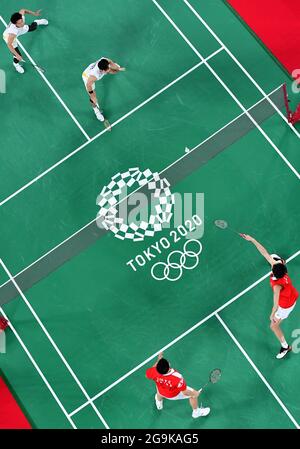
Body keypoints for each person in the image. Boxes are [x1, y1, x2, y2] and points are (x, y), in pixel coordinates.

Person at [241, 234, 299, 359]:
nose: (272, 264)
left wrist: (272, 314)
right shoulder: (282, 269)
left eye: (273, 265)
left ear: (274, 271)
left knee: (273, 326)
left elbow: (276, 303)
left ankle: (285, 346)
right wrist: (252, 240)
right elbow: (264, 252)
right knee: (272, 257)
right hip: (293, 293)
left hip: (286, 305)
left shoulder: (277, 286)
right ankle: (280, 259)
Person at [146, 352, 210, 419]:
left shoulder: (153, 371)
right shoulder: (177, 377)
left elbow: (150, 372)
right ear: (168, 366)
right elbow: (184, 392)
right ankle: (196, 412)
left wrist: (158, 361)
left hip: (161, 391)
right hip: (173, 395)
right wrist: (195, 393)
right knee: (193, 395)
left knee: (159, 390)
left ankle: (159, 403)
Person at [82, 57, 125, 128]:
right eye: (106, 69)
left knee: (115, 70)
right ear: (102, 70)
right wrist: (93, 96)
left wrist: (117, 68)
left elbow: (111, 63)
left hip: (91, 68)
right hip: (87, 78)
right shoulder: (94, 76)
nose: (108, 70)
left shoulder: (104, 60)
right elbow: (88, 84)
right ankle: (97, 112)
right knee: (93, 98)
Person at [2, 8, 48, 74]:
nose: (22, 23)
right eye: (20, 23)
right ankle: (16, 65)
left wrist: (34, 13)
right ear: (15, 24)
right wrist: (17, 55)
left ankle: (37, 22)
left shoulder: (20, 21)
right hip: (10, 38)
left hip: (20, 30)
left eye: (22, 21)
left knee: (33, 27)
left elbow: (23, 10)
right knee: (17, 55)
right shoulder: (12, 32)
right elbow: (9, 45)